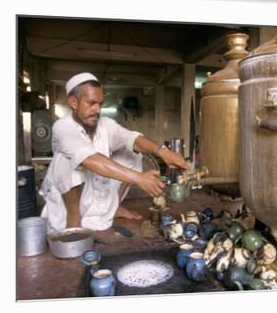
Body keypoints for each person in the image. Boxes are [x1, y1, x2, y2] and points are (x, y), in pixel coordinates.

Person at [39, 72, 187, 233]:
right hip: (69, 200)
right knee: (67, 161)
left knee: (132, 153)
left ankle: (113, 207)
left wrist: (162, 152)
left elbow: (132, 138)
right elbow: (89, 159)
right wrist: (139, 178)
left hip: (94, 190)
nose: (97, 110)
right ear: (73, 102)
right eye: (91, 103)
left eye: (100, 104)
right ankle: (74, 220)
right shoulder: (62, 127)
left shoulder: (105, 124)